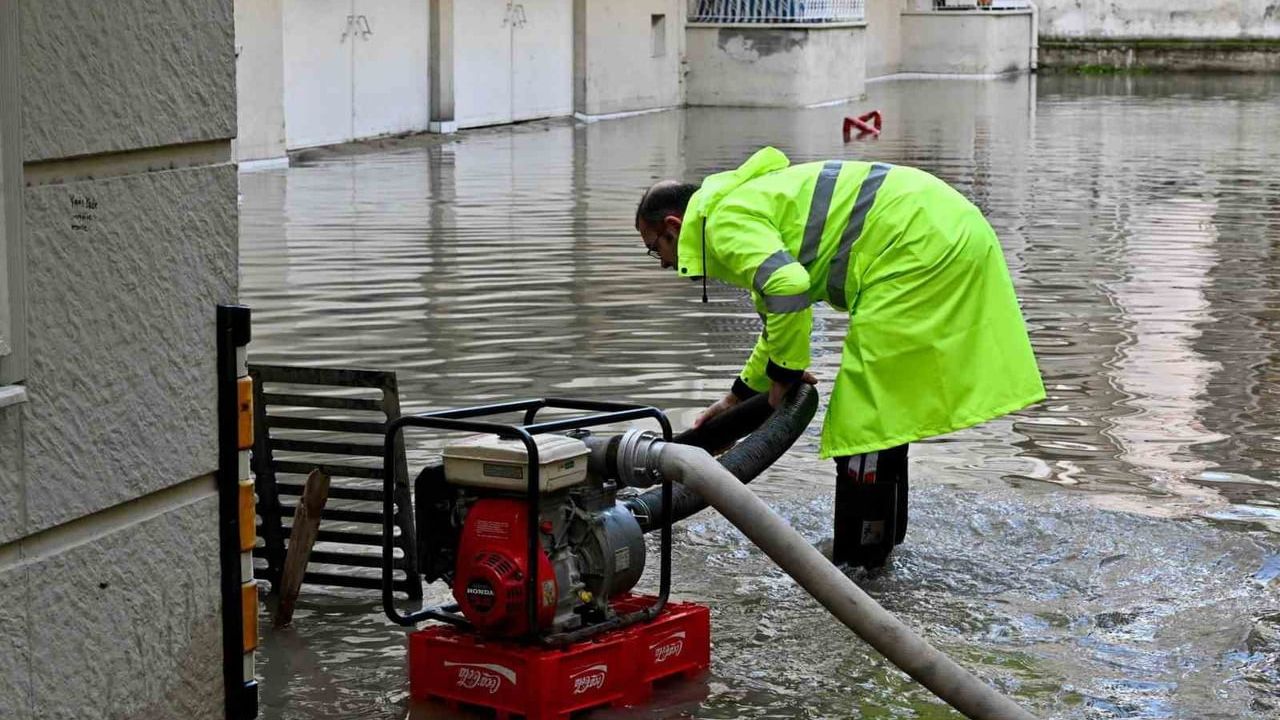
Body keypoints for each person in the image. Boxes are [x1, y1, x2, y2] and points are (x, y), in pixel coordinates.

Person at [635, 147, 1045, 569]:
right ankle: (879, 548)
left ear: (674, 226)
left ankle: (859, 562)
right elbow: (779, 314)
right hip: (936, 229)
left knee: (862, 419)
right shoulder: (735, 207)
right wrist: (737, 399)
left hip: (919, 243)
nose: (664, 264)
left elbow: (787, 286)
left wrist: (785, 376)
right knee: (880, 412)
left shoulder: (721, 223)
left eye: (655, 250)